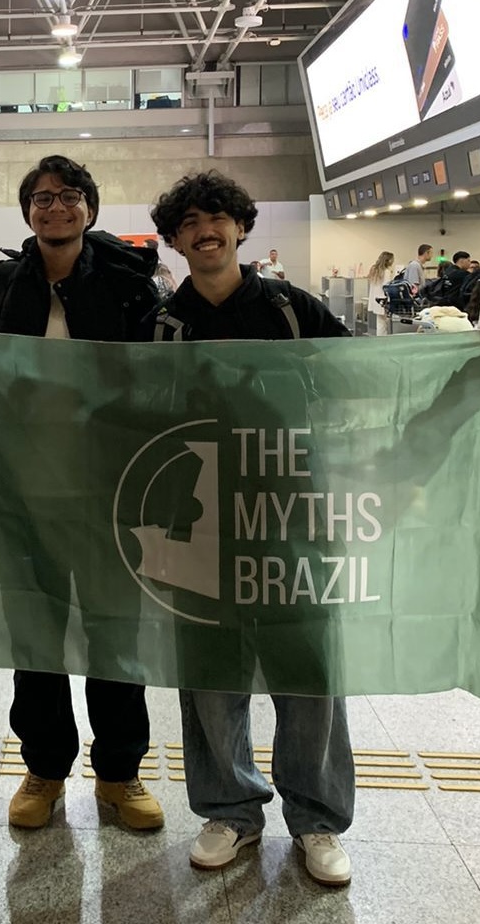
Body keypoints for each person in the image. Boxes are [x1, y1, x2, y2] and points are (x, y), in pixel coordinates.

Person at [0, 155, 164, 832]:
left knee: (114, 635)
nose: (54, 207)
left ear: (89, 207)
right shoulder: (1, 285)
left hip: (110, 494)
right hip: (23, 494)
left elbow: (158, 374)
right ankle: (44, 769)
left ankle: (119, 772)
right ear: (27, 211)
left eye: (67, 196)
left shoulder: (127, 283)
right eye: (41, 198)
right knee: (35, 637)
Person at [147, 169, 355, 887]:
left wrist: (466, 354)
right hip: (199, 517)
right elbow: (121, 405)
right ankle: (229, 810)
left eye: (217, 218)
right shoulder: (162, 326)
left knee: (310, 669)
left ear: (240, 227)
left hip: (291, 513)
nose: (205, 231)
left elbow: (364, 372)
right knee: (210, 672)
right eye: (189, 223)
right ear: (175, 241)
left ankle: (317, 817)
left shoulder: (294, 310)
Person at [366, 250, 395, 335]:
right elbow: (387, 287)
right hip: (383, 300)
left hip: (376, 300)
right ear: (388, 260)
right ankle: (382, 339)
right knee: (383, 324)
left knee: (380, 323)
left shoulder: (375, 270)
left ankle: (380, 338)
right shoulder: (386, 272)